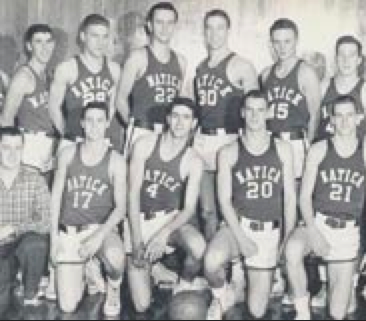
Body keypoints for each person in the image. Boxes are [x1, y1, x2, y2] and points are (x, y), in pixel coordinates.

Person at [204, 90, 296, 320]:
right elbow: (224, 201)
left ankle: (241, 277)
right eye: (250, 110)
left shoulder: (283, 149)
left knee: (256, 310)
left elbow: (289, 198)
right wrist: (242, 240)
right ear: (243, 113)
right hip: (238, 227)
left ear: (269, 112)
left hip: (268, 231)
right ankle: (221, 295)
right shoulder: (228, 152)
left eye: (260, 110)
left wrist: (287, 238)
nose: (255, 116)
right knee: (211, 260)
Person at [285, 95, 366, 320]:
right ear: (331, 120)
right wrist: (314, 233)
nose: (344, 121)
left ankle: (348, 290)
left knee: (338, 313)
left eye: (349, 115)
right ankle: (302, 311)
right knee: (293, 249)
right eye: (339, 116)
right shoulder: (318, 149)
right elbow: (304, 198)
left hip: (347, 232)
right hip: (317, 222)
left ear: (359, 119)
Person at [127, 97, 206, 313]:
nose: (181, 123)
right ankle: (152, 268)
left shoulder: (194, 160)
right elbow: (132, 195)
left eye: (187, 117)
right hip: (137, 219)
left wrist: (163, 234)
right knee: (142, 305)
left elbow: (188, 208)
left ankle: (184, 283)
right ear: (168, 119)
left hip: (168, 220)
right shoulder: (144, 144)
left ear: (194, 124)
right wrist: (136, 240)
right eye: (176, 116)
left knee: (198, 248)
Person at [50, 102, 126, 317]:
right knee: (67, 306)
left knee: (115, 256)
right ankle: (87, 269)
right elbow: (55, 198)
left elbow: (121, 208)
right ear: (82, 123)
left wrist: (98, 237)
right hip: (70, 231)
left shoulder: (116, 160)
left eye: (100, 120)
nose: (94, 126)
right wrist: (54, 239)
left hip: (99, 229)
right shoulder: (66, 154)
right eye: (89, 120)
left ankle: (113, 287)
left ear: (107, 124)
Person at [194, 9, 258, 241]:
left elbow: (256, 111)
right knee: (207, 210)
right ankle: (214, 268)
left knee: (234, 206)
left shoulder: (242, 65)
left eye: (220, 27)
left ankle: (237, 265)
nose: (214, 33)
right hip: (203, 140)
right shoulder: (200, 68)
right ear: (204, 32)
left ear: (228, 31)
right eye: (209, 28)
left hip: (230, 139)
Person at [116, 2, 187, 153]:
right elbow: (120, 99)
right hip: (143, 130)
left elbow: (179, 99)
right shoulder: (138, 57)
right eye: (159, 22)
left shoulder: (181, 61)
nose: (164, 28)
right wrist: (133, 125)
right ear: (149, 25)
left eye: (169, 23)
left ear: (175, 26)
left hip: (169, 133)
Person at [49, 14, 123, 152]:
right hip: (74, 139)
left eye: (105, 36)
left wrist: (98, 134)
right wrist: (68, 134)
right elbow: (53, 108)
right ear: (83, 36)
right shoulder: (66, 68)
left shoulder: (114, 69)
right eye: (95, 36)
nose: (100, 42)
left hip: (102, 141)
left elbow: (112, 107)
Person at [260, 18, 321, 180]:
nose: (282, 47)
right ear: (271, 43)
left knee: (294, 192)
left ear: (296, 41)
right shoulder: (266, 74)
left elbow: (315, 115)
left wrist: (309, 148)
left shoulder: (306, 72)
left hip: (295, 142)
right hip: (270, 141)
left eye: (287, 41)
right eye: (277, 42)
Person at [0, 127, 50, 310]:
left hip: (21, 243)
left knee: (36, 244)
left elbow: (46, 221)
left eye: (17, 148)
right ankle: (10, 279)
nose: (12, 154)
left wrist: (14, 228)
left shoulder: (35, 179)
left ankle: (30, 294)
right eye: (6, 148)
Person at [1, 25, 57, 172]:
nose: (45, 47)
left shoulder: (50, 75)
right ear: (29, 46)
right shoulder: (23, 77)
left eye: (48, 41)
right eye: (39, 42)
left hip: (48, 143)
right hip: (29, 143)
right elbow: (6, 118)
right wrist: (12, 152)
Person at [316, 35, 366, 144]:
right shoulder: (322, 87)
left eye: (351, 55)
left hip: (356, 156)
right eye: (341, 55)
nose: (346, 60)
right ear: (336, 59)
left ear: (359, 60)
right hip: (325, 154)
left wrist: (351, 158)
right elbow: (312, 124)